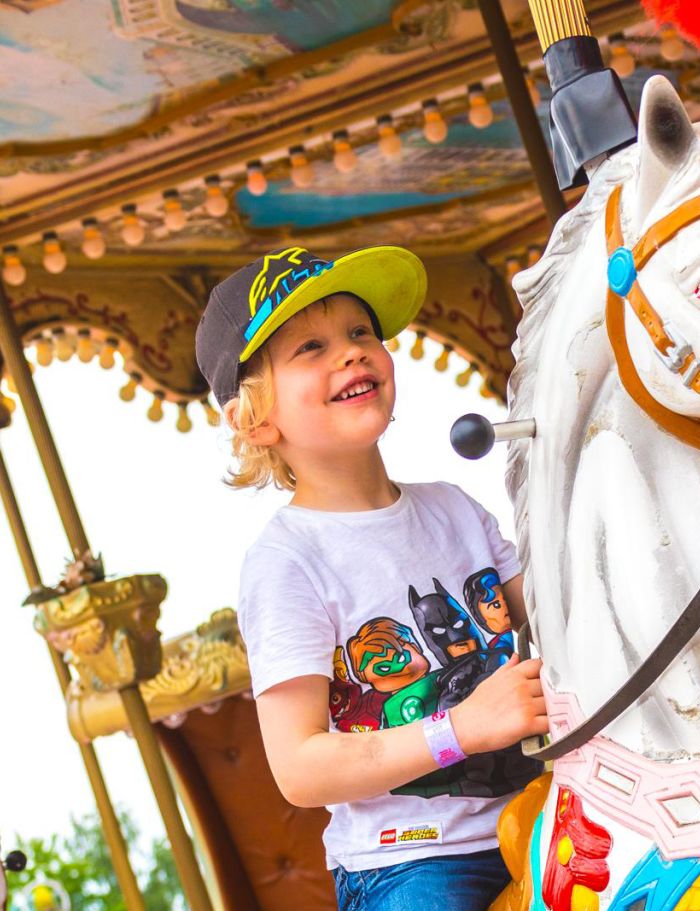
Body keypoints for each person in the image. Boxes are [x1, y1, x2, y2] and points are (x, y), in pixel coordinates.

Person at [195, 245, 548, 911]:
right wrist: (461, 728)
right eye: (311, 347)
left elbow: (545, 608)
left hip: (543, 801)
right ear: (256, 416)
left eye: (361, 333)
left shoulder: (452, 506)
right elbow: (300, 766)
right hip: (417, 857)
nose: (351, 352)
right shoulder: (287, 561)